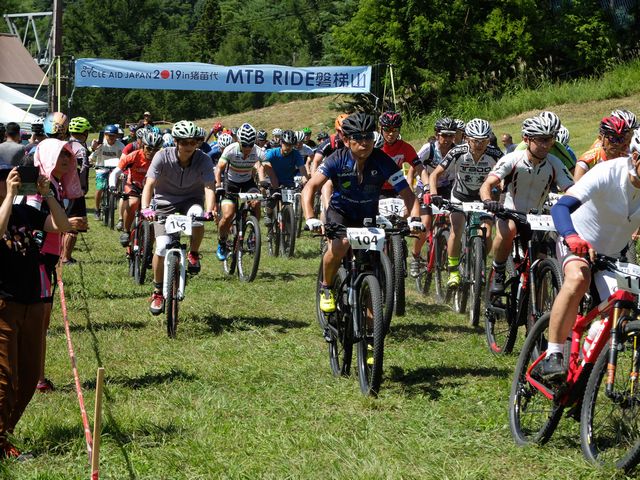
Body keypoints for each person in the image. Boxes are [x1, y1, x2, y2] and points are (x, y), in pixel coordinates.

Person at [540, 129, 640, 379]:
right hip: (578, 240)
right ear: (636, 157)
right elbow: (562, 207)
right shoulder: (608, 172)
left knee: (623, 305)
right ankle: (554, 353)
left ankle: (584, 371)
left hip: (612, 256)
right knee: (578, 278)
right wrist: (573, 237)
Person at [301, 112, 422, 312]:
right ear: (347, 140)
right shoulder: (336, 159)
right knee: (341, 245)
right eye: (358, 138)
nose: (364, 143)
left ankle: (369, 326)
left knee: (371, 262)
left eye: (369, 137)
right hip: (341, 212)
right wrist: (310, 217)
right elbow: (310, 187)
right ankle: (327, 288)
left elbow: (408, 195)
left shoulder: (382, 160)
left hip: (367, 215)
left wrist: (415, 218)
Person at [0, 163, 72, 458]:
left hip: (33, 302)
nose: (11, 184)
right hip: (4, 304)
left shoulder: (25, 212)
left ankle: (5, 434)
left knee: (29, 378)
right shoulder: (6, 210)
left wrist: (49, 195)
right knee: (5, 378)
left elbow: (63, 226)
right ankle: (1, 443)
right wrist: (9, 197)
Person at [480, 115, 574, 293]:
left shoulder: (555, 163)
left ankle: (537, 302)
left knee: (541, 256)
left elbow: (572, 190)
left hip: (536, 217)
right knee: (508, 230)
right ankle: (499, 269)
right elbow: (488, 184)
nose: (547, 145)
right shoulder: (512, 159)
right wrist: (488, 201)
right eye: (542, 140)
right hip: (510, 209)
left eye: (550, 140)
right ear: (526, 139)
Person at [141, 120, 216, 315]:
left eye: (193, 142)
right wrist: (146, 208)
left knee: (199, 216)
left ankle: (193, 253)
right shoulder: (161, 156)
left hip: (191, 200)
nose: (189, 146)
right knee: (162, 246)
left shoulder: (204, 159)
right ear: (176, 142)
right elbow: (149, 184)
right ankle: (158, 292)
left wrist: (210, 209)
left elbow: (209, 187)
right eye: (184, 142)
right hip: (164, 204)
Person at [30, 139, 87, 392]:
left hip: (47, 259)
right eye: (61, 154)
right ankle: (36, 379)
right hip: (37, 260)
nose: (66, 159)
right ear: (47, 156)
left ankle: (36, 376)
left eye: (69, 156)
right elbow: (31, 221)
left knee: (41, 323)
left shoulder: (55, 185)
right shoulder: (38, 187)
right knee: (38, 322)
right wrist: (66, 224)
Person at [427, 118, 503, 287]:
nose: (480, 144)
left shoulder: (495, 154)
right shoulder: (457, 152)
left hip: (485, 198)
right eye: (476, 140)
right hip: (460, 196)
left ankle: (479, 263)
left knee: (487, 233)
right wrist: (433, 194)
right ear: (467, 138)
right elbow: (434, 175)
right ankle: (453, 271)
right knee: (456, 230)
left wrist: (501, 190)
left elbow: (506, 176)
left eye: (484, 140)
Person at [409, 117, 457, 277]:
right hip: (427, 186)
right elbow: (413, 164)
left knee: (454, 219)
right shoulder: (428, 148)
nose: (448, 139)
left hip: (447, 187)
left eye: (451, 135)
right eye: (444, 135)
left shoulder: (457, 150)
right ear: (437, 135)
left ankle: (446, 248)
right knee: (426, 223)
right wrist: (410, 181)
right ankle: (415, 257)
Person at [215, 123, 270, 261]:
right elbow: (219, 168)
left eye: (250, 145)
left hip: (247, 182)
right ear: (239, 141)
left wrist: (263, 180)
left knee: (256, 203)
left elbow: (263, 165)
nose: (247, 148)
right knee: (228, 215)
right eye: (244, 145)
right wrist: (218, 185)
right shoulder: (231, 149)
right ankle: (222, 242)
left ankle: (252, 233)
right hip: (231, 183)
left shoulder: (257, 151)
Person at [110, 130, 163, 247]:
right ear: (142, 146)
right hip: (134, 186)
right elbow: (115, 172)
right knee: (133, 203)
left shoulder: (161, 158)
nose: (152, 152)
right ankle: (126, 231)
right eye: (149, 148)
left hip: (152, 189)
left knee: (154, 217)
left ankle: (148, 249)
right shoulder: (133, 156)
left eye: (156, 149)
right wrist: (113, 186)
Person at [574, 116, 632, 181]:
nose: (617, 143)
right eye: (612, 138)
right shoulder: (587, 162)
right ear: (601, 138)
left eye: (621, 139)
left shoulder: (631, 157)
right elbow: (577, 189)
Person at [378, 111, 418, 199]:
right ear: (380, 129)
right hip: (377, 189)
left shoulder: (405, 147)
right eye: (387, 129)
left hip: (398, 188)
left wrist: (427, 187)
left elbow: (420, 168)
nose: (391, 134)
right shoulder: (374, 147)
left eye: (395, 130)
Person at [90, 125, 125, 222]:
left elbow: (124, 158)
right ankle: (97, 209)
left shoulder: (120, 146)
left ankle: (112, 198)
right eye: (109, 135)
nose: (111, 138)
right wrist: (92, 157)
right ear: (105, 135)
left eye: (113, 136)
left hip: (114, 169)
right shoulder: (101, 144)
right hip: (101, 168)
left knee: (115, 185)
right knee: (100, 188)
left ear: (117, 136)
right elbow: (93, 155)